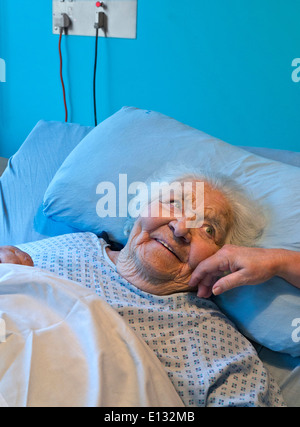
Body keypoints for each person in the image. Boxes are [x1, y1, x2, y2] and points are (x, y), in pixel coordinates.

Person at [0, 166, 296, 406]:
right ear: (140, 210)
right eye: (173, 203)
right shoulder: (72, 245)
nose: (181, 228)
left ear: (223, 259)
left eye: (209, 229)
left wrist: (280, 260)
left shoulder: (217, 346)